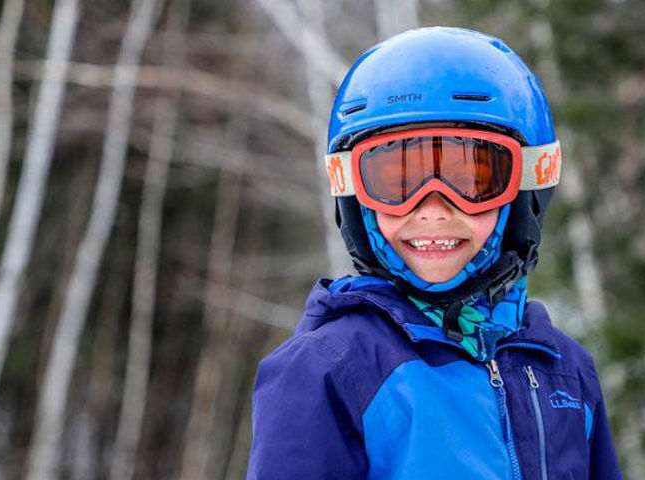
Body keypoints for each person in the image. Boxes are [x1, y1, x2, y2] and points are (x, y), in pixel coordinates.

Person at [246, 27, 622, 480]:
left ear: (526, 188)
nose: (433, 209)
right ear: (353, 196)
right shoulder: (328, 369)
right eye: (397, 180)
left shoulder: (565, 370)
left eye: (472, 178)